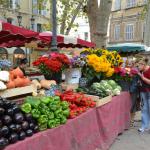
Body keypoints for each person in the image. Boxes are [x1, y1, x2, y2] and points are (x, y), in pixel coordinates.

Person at [137, 57, 150, 133]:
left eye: (139, 65)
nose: (138, 67)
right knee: (144, 109)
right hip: (143, 92)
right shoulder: (140, 71)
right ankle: (144, 126)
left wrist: (143, 78)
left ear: (143, 64)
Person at [129, 60, 140, 127]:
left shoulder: (136, 71)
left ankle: (131, 122)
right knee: (131, 106)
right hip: (130, 90)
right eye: (128, 64)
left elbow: (137, 82)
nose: (129, 65)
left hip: (134, 90)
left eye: (130, 64)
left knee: (132, 106)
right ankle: (130, 121)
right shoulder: (126, 71)